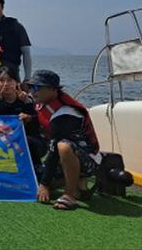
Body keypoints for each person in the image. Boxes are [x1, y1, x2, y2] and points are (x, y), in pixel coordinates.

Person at [29, 70, 101, 210]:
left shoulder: (65, 113)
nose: (32, 91)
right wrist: (30, 118)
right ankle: (78, 182)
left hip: (88, 159)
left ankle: (69, 195)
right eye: (31, 86)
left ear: (53, 89)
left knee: (63, 146)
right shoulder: (45, 102)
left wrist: (45, 184)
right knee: (34, 179)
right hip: (63, 159)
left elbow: (54, 149)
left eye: (37, 87)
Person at [0, 66, 46, 168]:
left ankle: (37, 168)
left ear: (17, 82)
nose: (6, 84)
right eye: (1, 80)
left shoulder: (27, 100)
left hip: (29, 141)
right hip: (3, 140)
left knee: (27, 142)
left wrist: (29, 114)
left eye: (9, 80)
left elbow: (40, 122)